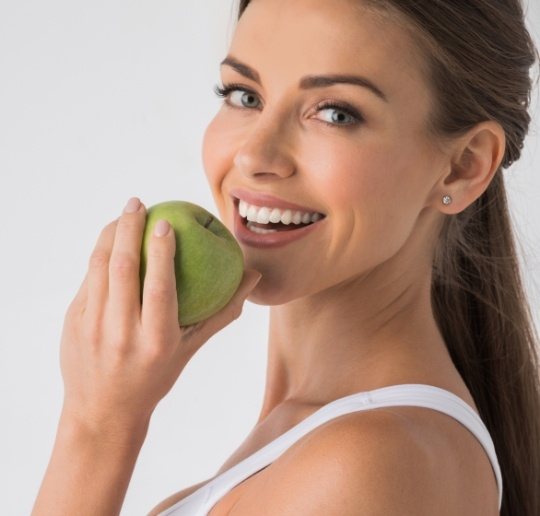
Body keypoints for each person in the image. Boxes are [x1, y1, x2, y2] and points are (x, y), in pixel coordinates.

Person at [31, 0, 540, 514]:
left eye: (336, 113)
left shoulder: (369, 463)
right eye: (244, 95)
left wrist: (95, 427)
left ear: (464, 167)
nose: (254, 156)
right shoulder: (329, 439)